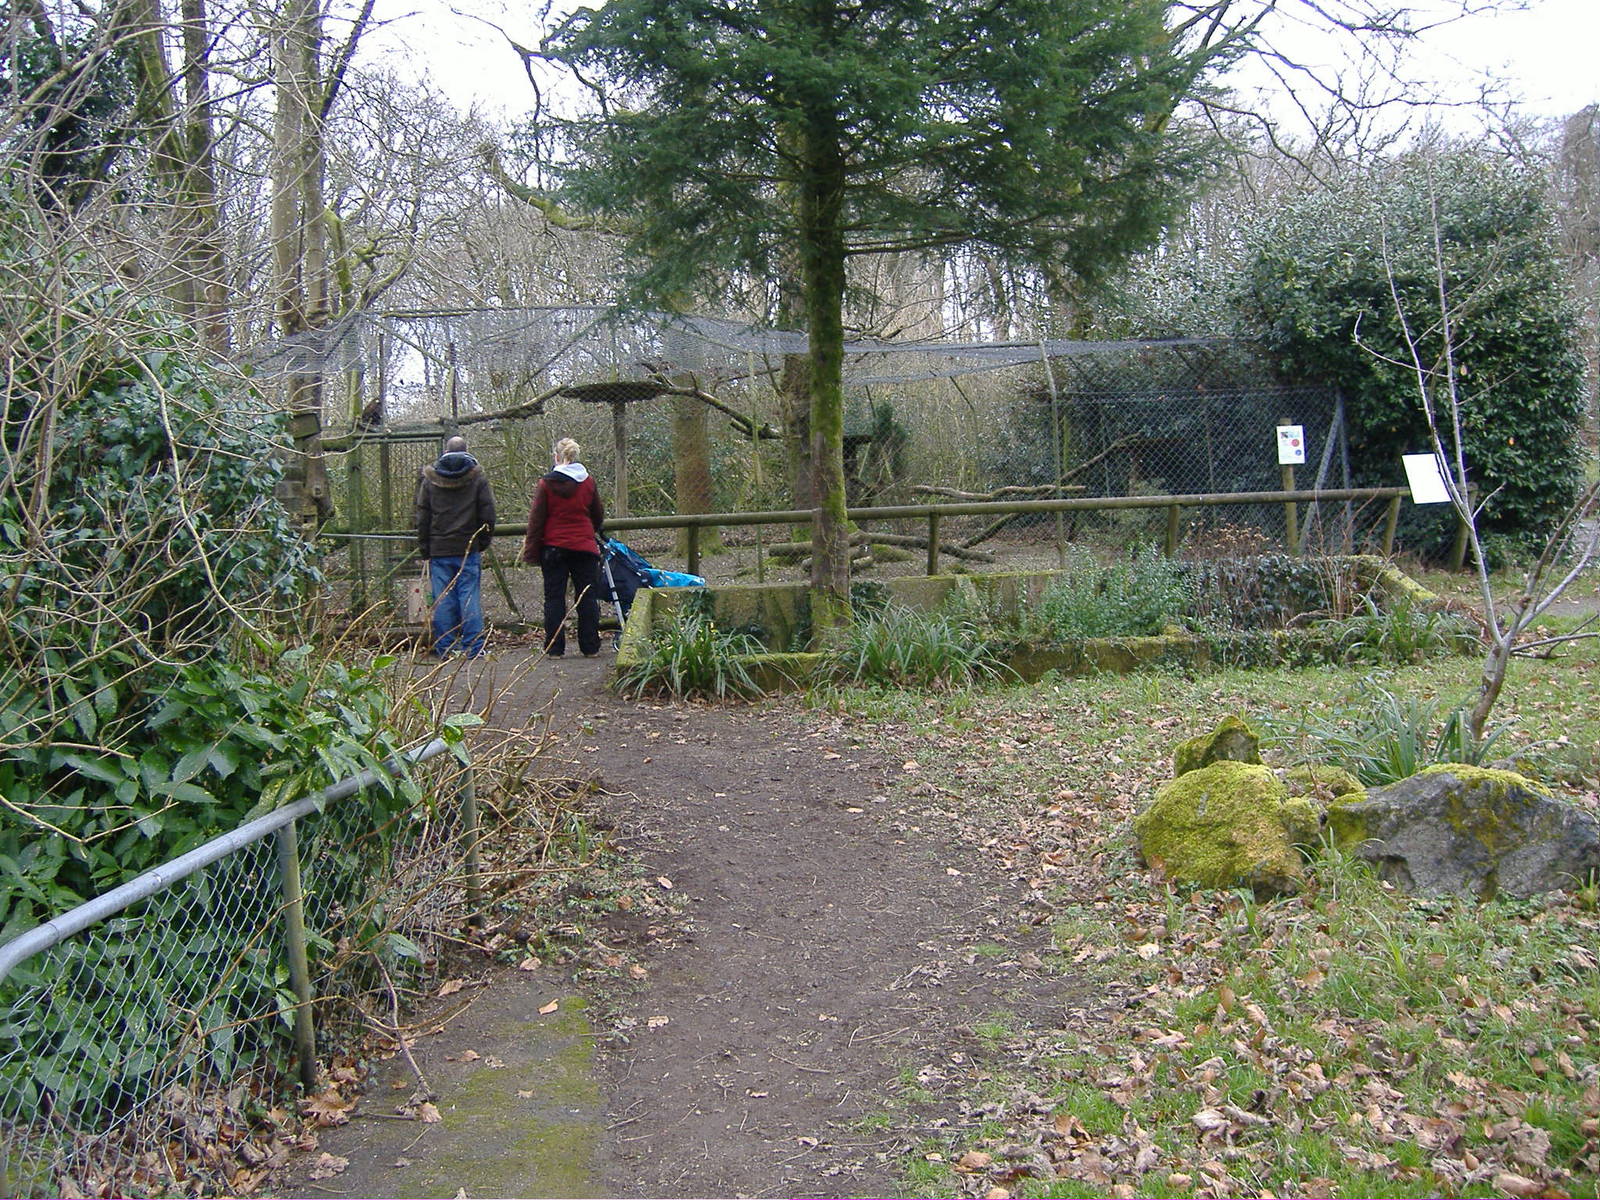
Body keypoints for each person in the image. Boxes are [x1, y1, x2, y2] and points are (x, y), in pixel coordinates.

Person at [521, 437, 605, 657]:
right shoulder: (588, 482)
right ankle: (590, 646)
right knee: (587, 596)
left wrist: (531, 550)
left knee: (554, 597)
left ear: (556, 457)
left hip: (554, 547)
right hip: (584, 547)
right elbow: (597, 514)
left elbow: (536, 519)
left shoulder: (546, 484)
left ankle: (554, 647)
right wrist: (587, 532)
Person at [415, 435, 497, 658]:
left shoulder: (430, 481)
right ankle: (474, 647)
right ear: (467, 450)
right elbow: (488, 514)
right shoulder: (478, 479)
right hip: (468, 548)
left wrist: (425, 548)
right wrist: (482, 542)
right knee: (469, 596)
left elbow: (423, 517)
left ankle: (446, 647)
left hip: (439, 549)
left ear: (445, 451)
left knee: (443, 598)